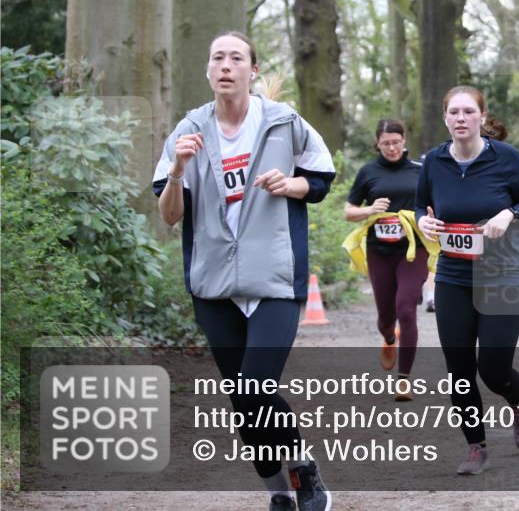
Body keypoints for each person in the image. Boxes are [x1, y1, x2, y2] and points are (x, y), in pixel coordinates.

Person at [153, 31, 335, 511]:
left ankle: (303, 471)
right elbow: (170, 215)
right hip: (213, 283)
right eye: (218, 58)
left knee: (256, 386)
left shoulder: (283, 122)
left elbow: (321, 180)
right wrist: (177, 169)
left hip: (274, 277)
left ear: (252, 70)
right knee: (244, 402)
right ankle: (278, 492)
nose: (226, 65)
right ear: (208, 71)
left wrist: (289, 183)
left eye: (237, 57)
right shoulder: (188, 131)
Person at [416, 85, 519, 475]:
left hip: (501, 273)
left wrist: (508, 214)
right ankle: (476, 448)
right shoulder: (434, 162)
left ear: (482, 118)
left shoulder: (506, 159)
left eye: (469, 112)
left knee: (493, 368)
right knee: (459, 369)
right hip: (453, 275)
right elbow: (422, 204)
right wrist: (423, 220)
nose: (461, 119)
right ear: (445, 118)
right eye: (454, 112)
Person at [343, 119, 436, 400]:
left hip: (413, 248)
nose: (392, 148)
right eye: (386, 143)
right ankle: (388, 337)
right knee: (386, 316)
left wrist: (431, 217)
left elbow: (436, 202)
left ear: (404, 140)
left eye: (396, 142)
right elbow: (349, 211)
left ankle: (404, 380)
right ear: (378, 144)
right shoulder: (368, 172)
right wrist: (370, 209)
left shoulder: (421, 171)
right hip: (379, 251)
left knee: (406, 308)